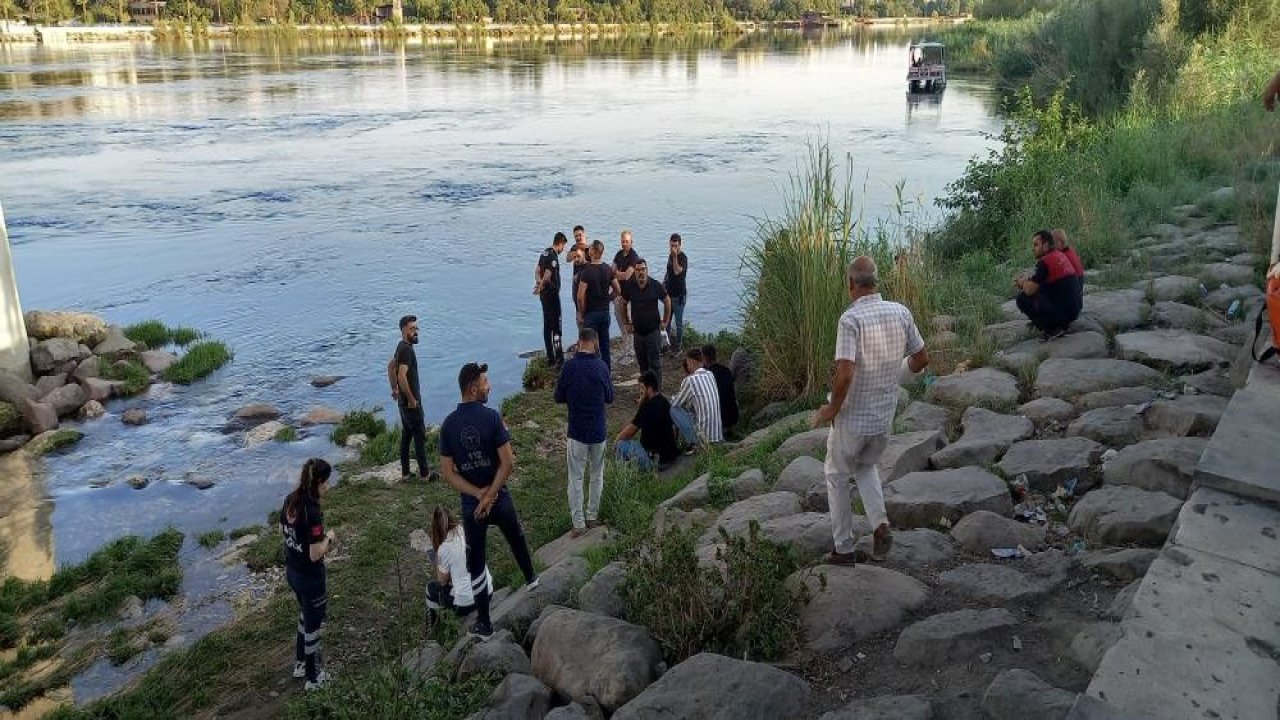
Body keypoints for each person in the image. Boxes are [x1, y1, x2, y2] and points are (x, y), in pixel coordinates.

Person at [813, 257, 929, 566]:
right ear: (876, 282)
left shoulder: (850, 320)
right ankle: (879, 523)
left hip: (852, 420)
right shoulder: (900, 312)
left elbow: (846, 373)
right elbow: (921, 360)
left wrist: (831, 409)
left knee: (835, 475)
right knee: (865, 467)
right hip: (882, 419)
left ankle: (843, 548)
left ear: (850, 284)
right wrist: (895, 375)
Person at [438, 362, 539, 640]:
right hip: (498, 498)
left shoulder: (448, 425)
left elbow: (448, 473)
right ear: (473, 388)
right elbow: (508, 463)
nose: (489, 385)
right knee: (515, 536)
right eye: (485, 382)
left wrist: (477, 495)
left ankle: (484, 623)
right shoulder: (492, 418)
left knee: (477, 562)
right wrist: (491, 493)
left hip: (474, 507)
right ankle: (532, 580)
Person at [281, 458, 335, 690]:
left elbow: (282, 532)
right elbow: (315, 554)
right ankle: (313, 678)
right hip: (310, 577)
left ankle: (301, 662)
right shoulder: (311, 511)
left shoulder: (290, 500)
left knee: (305, 615)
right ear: (319, 482)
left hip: (292, 572)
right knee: (313, 625)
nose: (328, 487)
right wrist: (329, 539)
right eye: (327, 483)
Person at [554, 328, 614, 536]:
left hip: (577, 430)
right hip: (598, 430)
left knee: (576, 477)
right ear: (595, 343)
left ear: (579, 342)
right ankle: (592, 516)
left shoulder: (569, 367)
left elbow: (558, 396)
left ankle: (578, 523)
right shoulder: (602, 367)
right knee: (597, 475)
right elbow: (610, 397)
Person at [387, 315, 434, 482]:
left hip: (403, 403)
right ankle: (425, 474)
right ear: (404, 330)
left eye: (416, 328)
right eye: (412, 329)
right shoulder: (406, 349)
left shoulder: (401, 346)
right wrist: (412, 399)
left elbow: (391, 366)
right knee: (420, 436)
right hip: (410, 403)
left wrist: (394, 389)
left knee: (406, 437)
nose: (416, 332)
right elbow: (401, 375)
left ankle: (406, 473)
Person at [425, 505, 489, 627]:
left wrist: (434, 557)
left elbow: (442, 581)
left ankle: (431, 629)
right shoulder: (465, 529)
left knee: (431, 589)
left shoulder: (444, 548)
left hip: (467, 603)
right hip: (485, 592)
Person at [1015, 229, 1083, 340]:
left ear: (1045, 245)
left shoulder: (1045, 261)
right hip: (1075, 310)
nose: (1033, 248)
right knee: (1041, 289)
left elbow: (1029, 291)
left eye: (1036, 245)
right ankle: (1056, 323)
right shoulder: (1060, 255)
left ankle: (1052, 329)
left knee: (1022, 299)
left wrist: (1022, 283)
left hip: (1065, 314)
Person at [621, 258, 672, 387]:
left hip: (652, 332)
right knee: (642, 365)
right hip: (638, 333)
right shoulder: (630, 286)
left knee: (655, 364)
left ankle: (657, 391)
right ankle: (645, 392)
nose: (640, 273)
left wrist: (665, 321)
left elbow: (667, 301)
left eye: (642, 269)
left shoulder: (655, 285)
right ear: (635, 272)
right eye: (637, 270)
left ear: (646, 270)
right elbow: (623, 302)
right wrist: (626, 323)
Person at [615, 370, 680, 471]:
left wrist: (616, 441)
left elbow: (629, 432)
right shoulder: (664, 400)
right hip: (671, 456)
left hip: (655, 461)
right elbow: (674, 428)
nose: (640, 391)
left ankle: (624, 474)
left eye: (642, 388)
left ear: (649, 388)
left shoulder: (647, 406)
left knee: (621, 444)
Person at [576, 240, 622, 369]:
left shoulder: (587, 271)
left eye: (590, 248)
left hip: (591, 313)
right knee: (604, 346)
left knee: (588, 346)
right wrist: (608, 298)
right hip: (604, 312)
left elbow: (580, 296)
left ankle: (589, 371)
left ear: (594, 252)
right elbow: (618, 290)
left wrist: (582, 312)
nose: (588, 250)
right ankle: (606, 373)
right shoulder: (608, 269)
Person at [671, 347, 723, 446]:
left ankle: (681, 443)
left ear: (689, 361)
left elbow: (675, 403)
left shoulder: (690, 380)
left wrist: (673, 398)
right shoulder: (710, 374)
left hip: (704, 439)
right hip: (718, 435)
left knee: (671, 408)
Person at [534, 232, 568, 366]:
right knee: (556, 327)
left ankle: (550, 357)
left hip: (544, 296)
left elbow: (537, 270)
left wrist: (538, 284)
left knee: (547, 326)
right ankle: (559, 358)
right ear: (559, 243)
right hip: (552, 296)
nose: (562, 250)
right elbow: (548, 274)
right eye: (563, 246)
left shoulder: (544, 253)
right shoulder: (553, 256)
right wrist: (542, 285)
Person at [613, 230, 641, 362]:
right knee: (621, 324)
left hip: (629, 297)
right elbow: (611, 272)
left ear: (631, 242)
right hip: (618, 295)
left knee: (629, 324)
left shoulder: (634, 256)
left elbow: (627, 275)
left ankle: (631, 353)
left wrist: (616, 273)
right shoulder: (618, 254)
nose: (624, 244)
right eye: (622, 241)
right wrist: (617, 273)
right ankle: (626, 350)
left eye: (626, 241)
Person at [700, 344, 739, 432]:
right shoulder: (726, 370)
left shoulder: (706, 375)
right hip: (733, 418)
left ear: (704, 357)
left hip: (719, 421)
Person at [664, 234, 688, 354]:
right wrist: (663, 283)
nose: (674, 248)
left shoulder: (683, 258)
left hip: (679, 296)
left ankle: (679, 347)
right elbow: (669, 272)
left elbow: (677, 271)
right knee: (666, 322)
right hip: (668, 295)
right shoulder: (670, 256)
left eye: (676, 246)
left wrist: (674, 257)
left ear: (680, 245)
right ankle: (667, 345)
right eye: (672, 245)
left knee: (678, 323)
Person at [568, 225, 590, 319]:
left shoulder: (589, 249)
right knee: (576, 301)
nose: (578, 238)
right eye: (576, 236)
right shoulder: (574, 247)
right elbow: (568, 258)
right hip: (576, 281)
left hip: (586, 281)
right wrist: (578, 250)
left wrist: (583, 251)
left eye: (579, 235)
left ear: (584, 234)